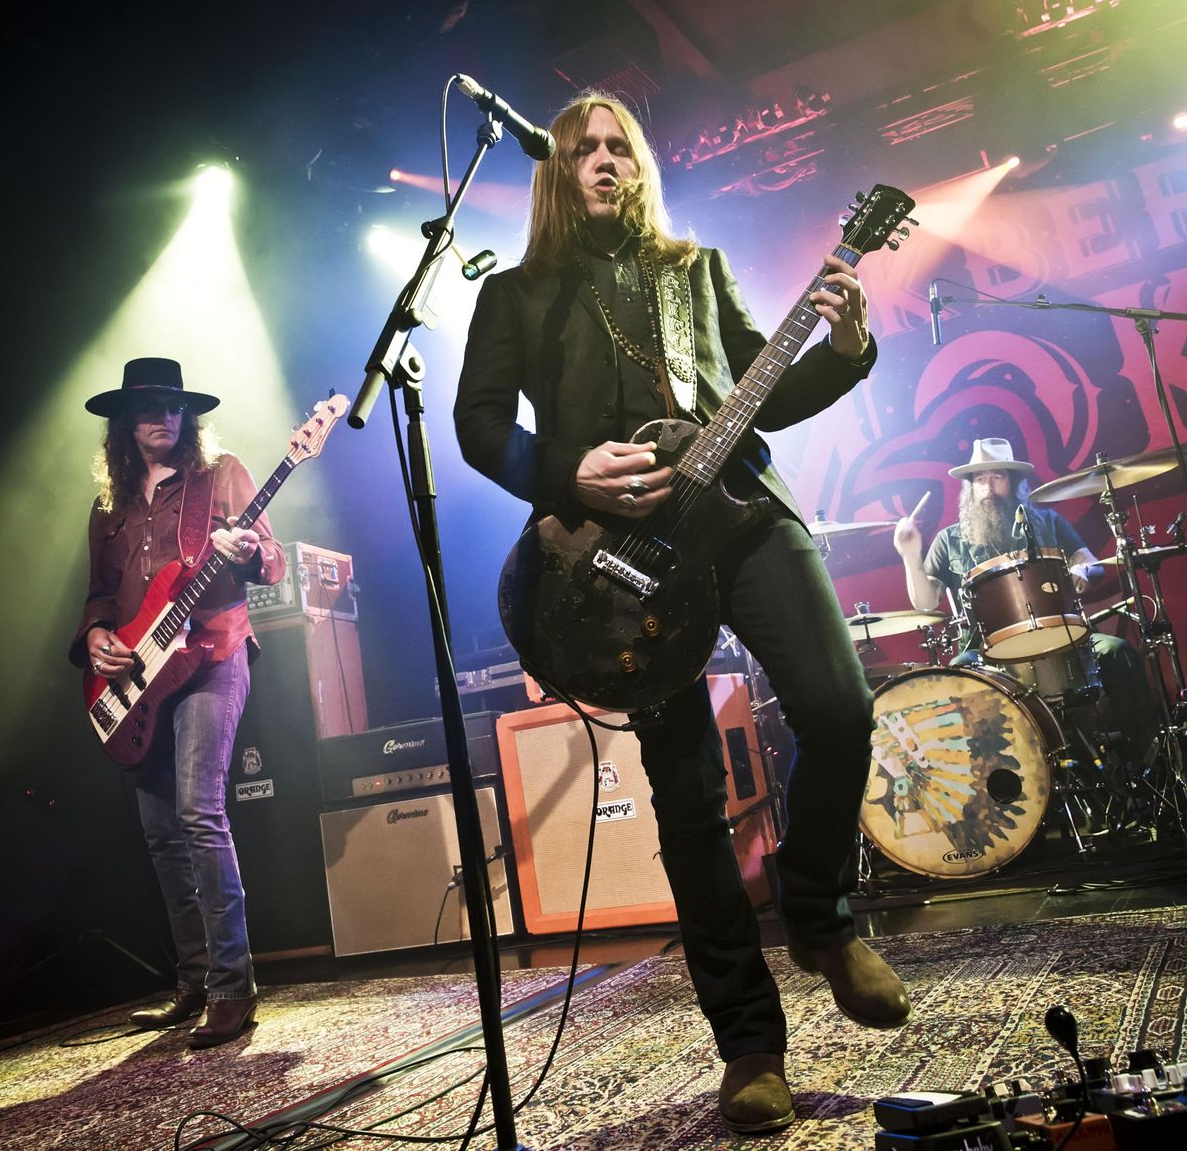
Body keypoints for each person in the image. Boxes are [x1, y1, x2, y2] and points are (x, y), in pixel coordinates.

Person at [454, 94, 910, 1134]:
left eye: (619, 146)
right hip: (613, 562)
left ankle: (822, 917)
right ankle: (749, 1045)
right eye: (583, 148)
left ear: (641, 166)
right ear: (556, 169)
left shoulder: (694, 269)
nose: (603, 160)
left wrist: (846, 347)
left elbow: (761, 389)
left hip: (739, 512)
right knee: (689, 798)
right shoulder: (516, 295)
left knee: (840, 711)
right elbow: (480, 426)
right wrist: (567, 472)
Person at [69, 357, 285, 1049]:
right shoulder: (109, 506)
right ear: (124, 424)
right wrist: (97, 637)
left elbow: (271, 559)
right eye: (147, 408)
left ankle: (233, 986)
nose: (162, 418)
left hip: (212, 656)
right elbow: (100, 596)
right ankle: (193, 981)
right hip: (138, 678)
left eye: (172, 406)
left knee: (198, 811)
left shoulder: (221, 476)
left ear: (186, 415)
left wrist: (245, 550)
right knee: (161, 835)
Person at [893, 436, 1157, 769]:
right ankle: (1000, 782)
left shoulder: (1048, 522)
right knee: (960, 671)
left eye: (997, 477)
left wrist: (1082, 570)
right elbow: (925, 601)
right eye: (980, 479)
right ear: (969, 488)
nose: (988, 487)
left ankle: (1144, 763)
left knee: (1117, 652)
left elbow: (1089, 561)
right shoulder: (950, 539)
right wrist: (910, 555)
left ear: (1014, 482)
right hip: (986, 652)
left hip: (1062, 639)